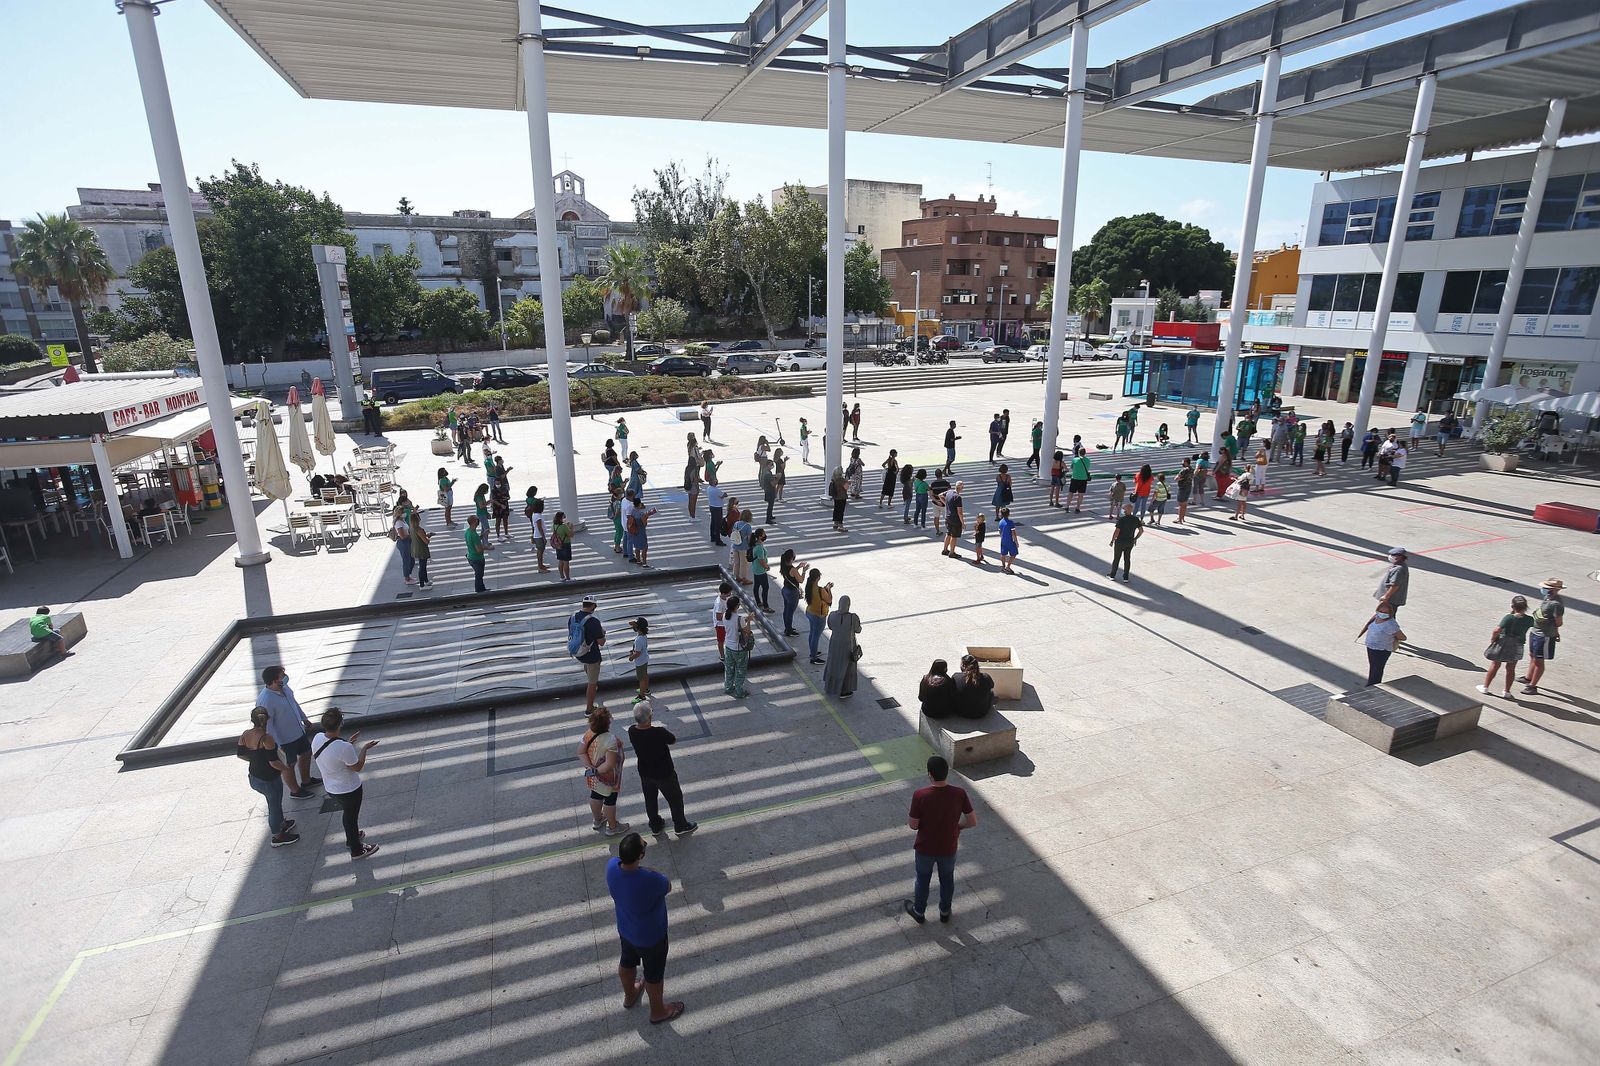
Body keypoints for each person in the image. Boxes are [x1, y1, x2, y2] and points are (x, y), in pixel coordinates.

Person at [606, 832, 684, 1024]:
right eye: (644, 845)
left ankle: (630, 994)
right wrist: (650, 870)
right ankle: (658, 1011)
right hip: (652, 937)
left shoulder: (611, 868)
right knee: (654, 975)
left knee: (627, 962)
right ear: (640, 856)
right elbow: (667, 886)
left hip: (626, 930)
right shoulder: (650, 880)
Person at [902, 755, 977, 925]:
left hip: (925, 848)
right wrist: (958, 827)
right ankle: (944, 911)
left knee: (922, 880)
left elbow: (913, 825)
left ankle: (919, 911)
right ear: (946, 773)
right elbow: (972, 821)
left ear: (930, 774)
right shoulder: (959, 793)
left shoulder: (920, 795)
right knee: (947, 879)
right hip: (948, 847)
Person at [313, 708, 380, 860]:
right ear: (340, 724)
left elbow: (333, 755)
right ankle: (356, 848)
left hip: (331, 787)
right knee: (351, 817)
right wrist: (364, 749)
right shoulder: (344, 747)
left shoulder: (317, 738)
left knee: (348, 815)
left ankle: (353, 836)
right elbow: (357, 767)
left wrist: (348, 743)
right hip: (349, 789)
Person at [628, 698, 697, 837]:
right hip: (664, 773)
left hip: (645, 772)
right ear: (650, 716)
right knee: (675, 799)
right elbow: (672, 739)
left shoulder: (632, 731)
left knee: (650, 799)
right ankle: (680, 825)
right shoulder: (659, 732)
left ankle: (655, 825)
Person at [237, 707, 299, 848]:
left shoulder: (245, 735)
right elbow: (273, 762)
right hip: (269, 779)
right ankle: (277, 836)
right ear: (267, 720)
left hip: (254, 777)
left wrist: (254, 759)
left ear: (252, 719)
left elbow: (240, 754)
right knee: (274, 807)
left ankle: (282, 823)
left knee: (274, 804)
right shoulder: (267, 738)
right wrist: (285, 768)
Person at [257, 665, 317, 799]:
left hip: (298, 731)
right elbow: (267, 726)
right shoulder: (265, 700)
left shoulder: (284, 688)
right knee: (288, 765)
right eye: (282, 675)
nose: (285, 677)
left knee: (306, 753)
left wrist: (304, 718)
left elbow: (294, 703)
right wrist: (276, 745)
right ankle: (295, 791)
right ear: (273, 681)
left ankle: (306, 781)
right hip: (284, 739)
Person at [579, 707, 630, 836]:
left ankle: (597, 820)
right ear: (608, 723)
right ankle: (612, 827)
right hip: (608, 778)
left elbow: (580, 751)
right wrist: (597, 771)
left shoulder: (588, 734)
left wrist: (590, 768)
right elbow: (610, 764)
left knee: (595, 796)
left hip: (593, 775)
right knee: (610, 801)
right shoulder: (610, 739)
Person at [1479, 596, 1537, 699]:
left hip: (1503, 643)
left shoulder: (1509, 617)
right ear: (1526, 607)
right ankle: (1506, 691)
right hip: (1518, 645)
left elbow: (1497, 630)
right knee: (1511, 668)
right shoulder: (1529, 619)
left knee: (1495, 665)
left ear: (1512, 606)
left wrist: (1493, 639)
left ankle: (1485, 687)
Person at [1521, 578, 1565, 695]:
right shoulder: (1547, 598)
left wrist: (1554, 630)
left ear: (1554, 590)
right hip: (1536, 631)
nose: (1544, 589)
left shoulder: (1556, 604)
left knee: (1539, 661)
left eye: (1547, 588)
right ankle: (1528, 677)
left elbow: (1559, 622)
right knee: (1532, 655)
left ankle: (1532, 686)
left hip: (1545, 635)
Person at [571, 597, 607, 712]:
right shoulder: (593, 621)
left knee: (587, 667)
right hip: (592, 655)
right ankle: (589, 709)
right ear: (592, 606)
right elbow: (601, 642)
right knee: (592, 683)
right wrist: (602, 633)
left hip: (578, 652)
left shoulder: (572, 617)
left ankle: (592, 685)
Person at [1357, 608, 1406, 688]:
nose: (1382, 613)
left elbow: (1402, 637)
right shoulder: (1376, 617)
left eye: (1385, 612)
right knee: (1373, 666)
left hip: (1382, 649)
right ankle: (1372, 683)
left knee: (1377, 668)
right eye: (1381, 611)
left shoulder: (1391, 624)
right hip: (1371, 647)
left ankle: (1372, 685)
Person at [823, 594, 860, 698]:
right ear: (848, 605)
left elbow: (830, 626)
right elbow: (858, 630)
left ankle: (830, 687)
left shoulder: (832, 615)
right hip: (848, 647)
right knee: (847, 668)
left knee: (833, 664)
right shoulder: (853, 617)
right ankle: (844, 691)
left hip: (834, 645)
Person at [723, 596, 754, 698]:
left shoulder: (725, 615)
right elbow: (747, 631)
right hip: (739, 649)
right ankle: (739, 691)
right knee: (740, 670)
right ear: (737, 607)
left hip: (728, 647)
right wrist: (749, 620)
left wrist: (745, 619)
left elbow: (734, 624)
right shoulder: (739, 619)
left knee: (729, 669)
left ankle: (728, 687)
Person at [1109, 502, 1143, 583]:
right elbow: (1141, 531)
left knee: (1117, 558)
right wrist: (1135, 538)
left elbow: (1116, 532)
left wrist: (1112, 540)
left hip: (1120, 542)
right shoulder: (1136, 519)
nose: (1123, 510)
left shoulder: (1122, 520)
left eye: (1124, 509)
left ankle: (1112, 575)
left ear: (1126, 510)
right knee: (1127, 559)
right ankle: (1126, 577)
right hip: (1130, 542)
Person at [805, 569, 833, 665]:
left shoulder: (809, 586)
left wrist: (825, 588)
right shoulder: (820, 590)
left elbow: (820, 595)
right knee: (815, 636)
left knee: (812, 633)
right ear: (817, 577)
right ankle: (813, 658)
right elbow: (829, 600)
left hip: (810, 612)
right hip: (818, 616)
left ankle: (813, 651)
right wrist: (829, 589)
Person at [954, 654, 995, 719]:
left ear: (963, 666)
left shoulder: (956, 677)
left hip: (960, 711)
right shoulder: (986, 677)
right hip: (981, 713)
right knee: (992, 693)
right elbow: (992, 686)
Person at [1374, 547, 1409, 619]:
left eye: (1393, 555)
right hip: (1390, 599)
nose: (1390, 557)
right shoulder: (1398, 566)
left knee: (1386, 617)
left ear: (1399, 557)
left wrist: (1386, 596)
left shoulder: (1398, 569)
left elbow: (1395, 585)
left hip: (1390, 600)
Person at [780, 549, 807, 637]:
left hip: (785, 590)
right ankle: (789, 630)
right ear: (791, 558)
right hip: (792, 593)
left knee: (786, 609)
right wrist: (804, 571)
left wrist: (798, 566)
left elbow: (791, 573)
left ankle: (787, 627)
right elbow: (801, 580)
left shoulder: (784, 565)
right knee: (790, 612)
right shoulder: (792, 569)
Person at [750, 528, 774, 613]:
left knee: (756, 585)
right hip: (761, 570)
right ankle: (766, 606)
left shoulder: (755, 544)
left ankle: (758, 602)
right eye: (764, 534)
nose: (765, 535)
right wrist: (766, 567)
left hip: (755, 568)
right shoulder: (759, 548)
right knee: (765, 587)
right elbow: (761, 560)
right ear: (760, 536)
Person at [464, 515, 489, 593]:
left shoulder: (468, 531)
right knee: (479, 576)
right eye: (477, 520)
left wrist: (483, 535)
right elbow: (479, 550)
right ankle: (480, 591)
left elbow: (475, 541)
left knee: (479, 576)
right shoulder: (474, 535)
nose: (478, 521)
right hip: (477, 558)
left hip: (470, 556)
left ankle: (482, 589)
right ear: (474, 522)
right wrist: (487, 547)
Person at [941, 480, 965, 560]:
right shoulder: (958, 497)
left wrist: (946, 504)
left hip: (948, 517)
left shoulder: (949, 492)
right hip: (955, 519)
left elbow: (940, 495)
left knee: (948, 534)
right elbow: (960, 512)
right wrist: (963, 523)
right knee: (954, 536)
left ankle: (945, 550)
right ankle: (951, 552)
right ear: (961, 488)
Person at [410, 510, 434, 589]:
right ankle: (422, 585)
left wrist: (426, 535)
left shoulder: (411, 528)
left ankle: (426, 580)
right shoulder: (419, 529)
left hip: (416, 548)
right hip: (422, 550)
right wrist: (428, 537)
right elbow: (426, 541)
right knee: (422, 567)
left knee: (423, 565)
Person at [552, 510, 576, 581]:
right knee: (566, 562)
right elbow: (571, 535)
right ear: (561, 518)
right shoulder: (563, 526)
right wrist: (571, 528)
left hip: (558, 545)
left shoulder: (553, 525)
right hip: (565, 544)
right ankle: (568, 578)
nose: (565, 518)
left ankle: (562, 577)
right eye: (564, 517)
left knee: (560, 561)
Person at [1068, 448, 1092, 514]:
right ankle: (1077, 508)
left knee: (1071, 493)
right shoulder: (1088, 460)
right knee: (1081, 495)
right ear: (1085, 453)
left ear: (1079, 452)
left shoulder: (1075, 459)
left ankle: (1067, 506)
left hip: (1074, 478)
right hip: (1083, 479)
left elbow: (1072, 467)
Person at [997, 507, 1019, 574]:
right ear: (1009, 514)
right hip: (1010, 541)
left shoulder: (1000, 522)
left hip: (1003, 540)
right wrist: (1016, 542)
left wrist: (1002, 537)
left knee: (1003, 554)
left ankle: (1003, 566)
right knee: (1014, 554)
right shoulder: (1010, 523)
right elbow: (1014, 533)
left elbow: (999, 531)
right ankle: (1008, 566)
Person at [705, 480, 726, 547]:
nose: (717, 481)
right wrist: (725, 494)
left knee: (713, 522)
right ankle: (718, 540)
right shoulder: (716, 490)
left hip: (712, 506)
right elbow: (723, 495)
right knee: (718, 524)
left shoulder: (709, 488)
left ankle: (712, 536)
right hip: (718, 508)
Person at [828, 467, 849, 533]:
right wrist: (847, 482)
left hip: (836, 497)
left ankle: (835, 523)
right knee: (841, 511)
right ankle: (840, 526)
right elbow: (846, 487)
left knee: (836, 509)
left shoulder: (833, 479)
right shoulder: (841, 480)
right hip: (842, 497)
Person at [683, 452, 701, 521]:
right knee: (693, 503)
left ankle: (690, 515)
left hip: (688, 485)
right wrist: (697, 488)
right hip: (693, 486)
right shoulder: (695, 469)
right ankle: (693, 516)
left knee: (690, 502)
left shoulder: (687, 468)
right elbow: (696, 479)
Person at [1175, 458, 1194, 524]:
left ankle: (1179, 519)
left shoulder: (1184, 470)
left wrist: (1177, 477)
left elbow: (1177, 478)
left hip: (1183, 487)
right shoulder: (1191, 469)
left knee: (1181, 503)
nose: (1182, 463)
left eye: (1183, 462)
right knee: (1185, 503)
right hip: (1189, 486)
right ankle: (1182, 517)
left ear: (1186, 462)